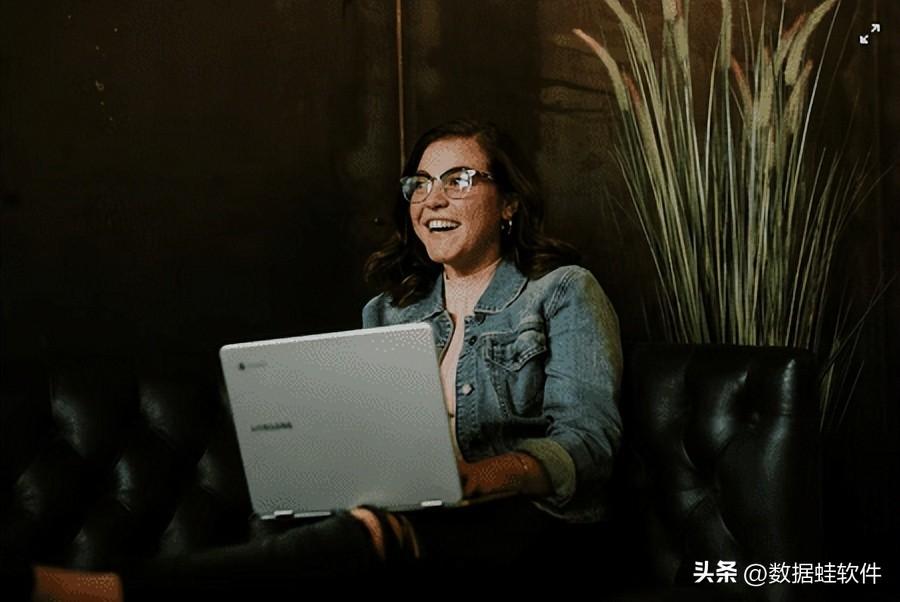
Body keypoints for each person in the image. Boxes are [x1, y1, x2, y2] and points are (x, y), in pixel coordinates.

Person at [25, 119, 622, 598]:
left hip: (536, 529)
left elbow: (588, 443)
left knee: (365, 539)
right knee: (336, 533)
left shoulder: (563, 291)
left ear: (509, 202)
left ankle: (105, 592)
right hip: (418, 526)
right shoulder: (388, 313)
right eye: (419, 184)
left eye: (459, 180)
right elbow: (371, 447)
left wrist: (480, 477)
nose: (432, 199)